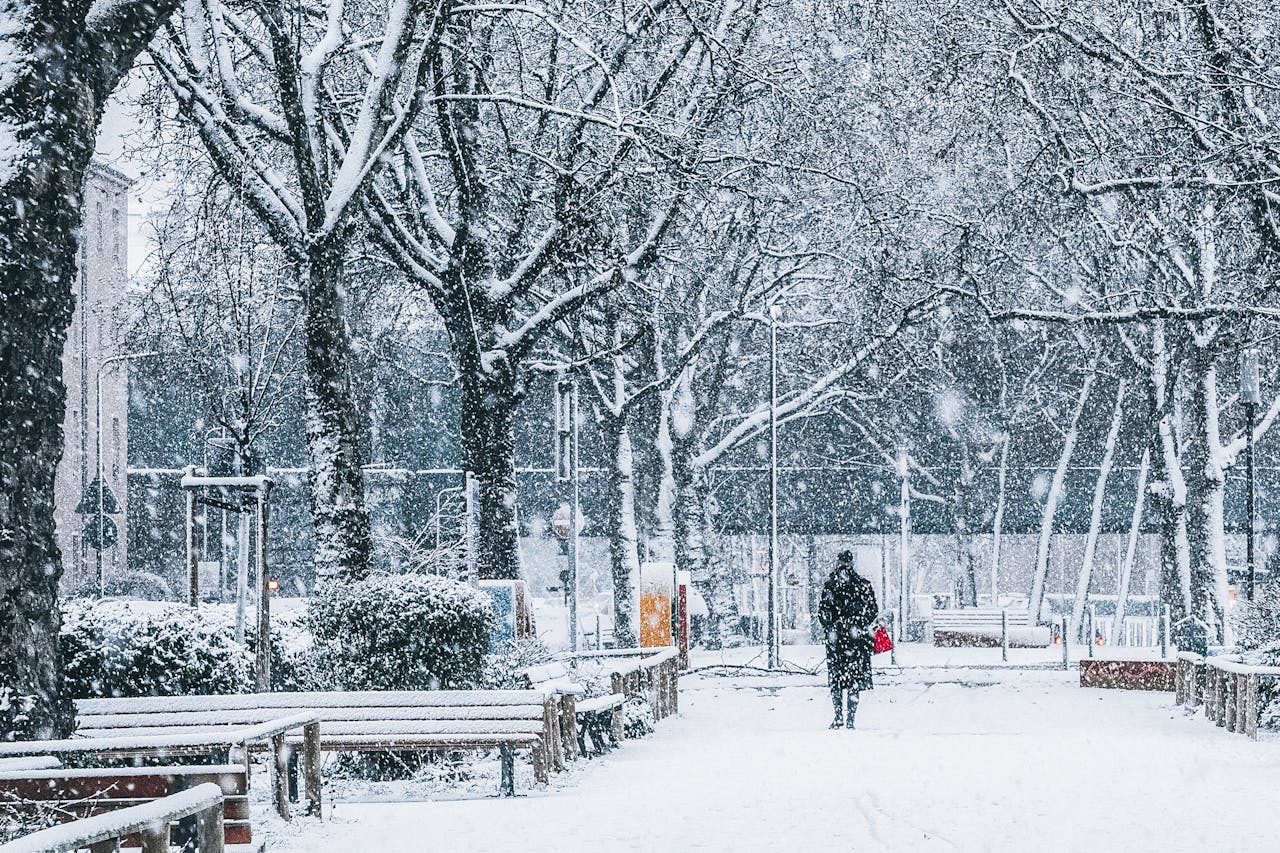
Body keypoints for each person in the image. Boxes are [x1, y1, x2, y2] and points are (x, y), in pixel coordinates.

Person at [818, 550, 878, 729]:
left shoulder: (830, 586)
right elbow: (872, 610)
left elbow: (823, 612)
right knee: (853, 679)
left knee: (836, 679)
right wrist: (857, 623)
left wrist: (832, 625)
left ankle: (838, 716)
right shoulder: (862, 585)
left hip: (836, 639)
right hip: (854, 638)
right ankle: (850, 719)